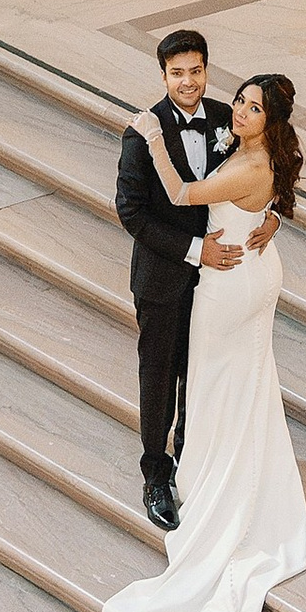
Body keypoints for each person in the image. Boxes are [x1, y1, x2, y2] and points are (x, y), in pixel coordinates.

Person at [101, 74, 306, 612]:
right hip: (224, 270)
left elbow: (182, 189)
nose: (237, 110)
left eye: (251, 106)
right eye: (239, 101)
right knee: (229, 380)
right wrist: (269, 215)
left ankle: (220, 481)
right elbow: (138, 209)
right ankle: (194, 468)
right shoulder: (252, 140)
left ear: (266, 118)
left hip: (230, 282)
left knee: (220, 382)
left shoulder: (245, 152)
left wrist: (151, 136)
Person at [115, 29, 233, 533]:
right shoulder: (143, 132)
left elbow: (259, 171)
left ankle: (193, 456)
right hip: (164, 277)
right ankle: (156, 473)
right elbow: (131, 212)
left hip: (220, 279)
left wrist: (271, 216)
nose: (189, 81)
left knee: (204, 368)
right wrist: (192, 251)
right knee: (159, 375)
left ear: (207, 70)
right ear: (163, 76)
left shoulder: (229, 120)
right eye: (178, 73)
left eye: (196, 70)